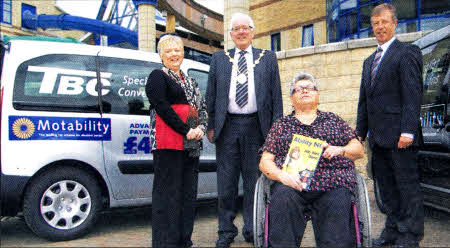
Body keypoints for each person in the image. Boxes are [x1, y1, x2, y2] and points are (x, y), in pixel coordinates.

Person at [259, 72, 365, 248]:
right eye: (298, 89)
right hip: (292, 184)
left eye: (310, 88)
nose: (305, 91)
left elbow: (358, 149)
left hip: (332, 182)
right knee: (282, 200)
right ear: (291, 98)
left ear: (318, 95)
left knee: (338, 204)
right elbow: (265, 161)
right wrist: (281, 176)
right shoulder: (281, 125)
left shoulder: (334, 120)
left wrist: (341, 150)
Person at [206, 12, 283, 248]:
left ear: (252, 31)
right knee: (226, 182)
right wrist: (210, 124)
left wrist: (276, 130)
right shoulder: (219, 58)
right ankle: (226, 230)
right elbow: (210, 94)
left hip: (257, 128)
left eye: (245, 28)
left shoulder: (267, 58)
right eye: (236, 29)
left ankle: (253, 228)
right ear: (230, 34)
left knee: (254, 181)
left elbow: (276, 96)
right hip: (227, 127)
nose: (241, 32)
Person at [355, 3, 424, 247]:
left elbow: (413, 95)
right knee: (387, 189)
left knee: (407, 188)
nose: (380, 27)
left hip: (400, 137)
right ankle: (392, 232)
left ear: (394, 23)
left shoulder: (407, 53)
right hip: (378, 138)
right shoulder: (368, 61)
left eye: (384, 22)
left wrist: (408, 131)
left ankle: (410, 235)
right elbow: (365, 101)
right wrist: (359, 134)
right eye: (375, 23)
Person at [145, 34, 207, 248]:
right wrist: (185, 130)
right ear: (161, 55)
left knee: (187, 196)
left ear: (183, 52)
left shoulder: (191, 81)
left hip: (190, 146)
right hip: (168, 145)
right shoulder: (157, 76)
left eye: (177, 50)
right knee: (167, 197)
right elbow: (161, 106)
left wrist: (200, 128)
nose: (174, 54)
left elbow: (202, 109)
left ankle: (184, 241)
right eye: (168, 51)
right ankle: (166, 243)